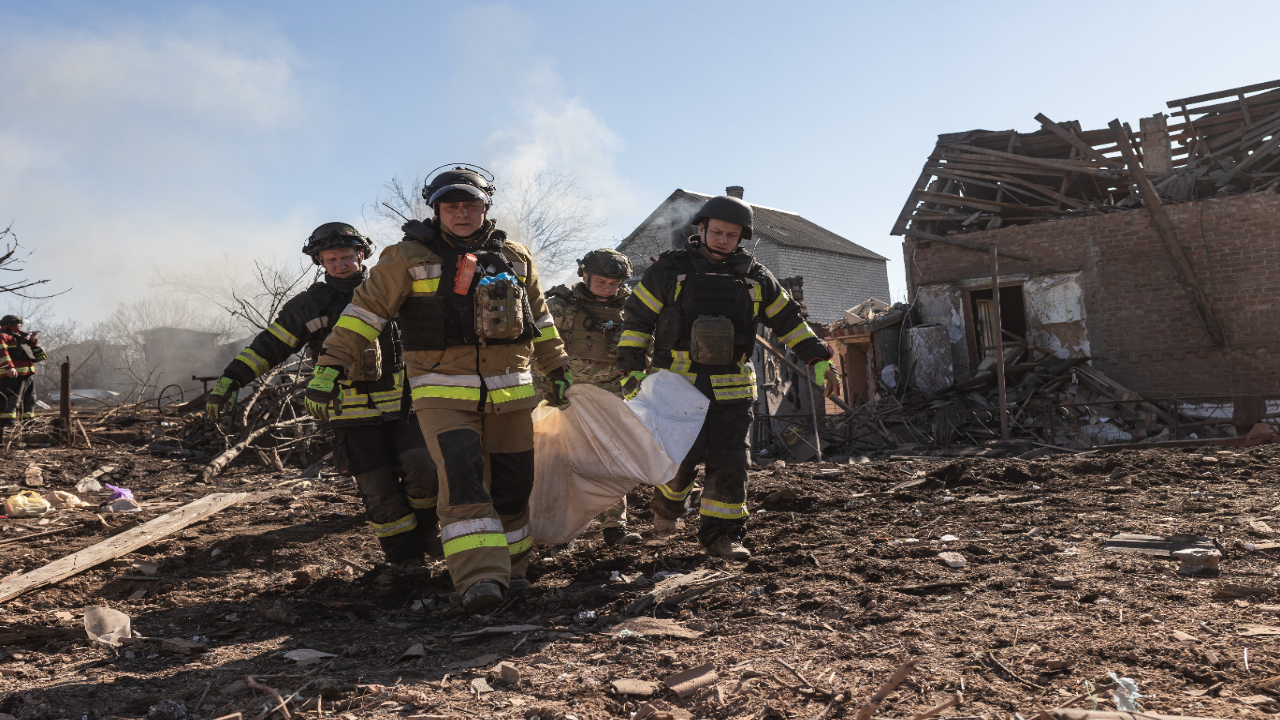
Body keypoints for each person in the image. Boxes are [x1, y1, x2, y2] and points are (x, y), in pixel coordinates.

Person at [313, 166, 571, 613]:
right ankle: (478, 580)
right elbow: (363, 314)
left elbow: (541, 322)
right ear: (436, 209)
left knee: (512, 486)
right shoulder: (406, 257)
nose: (462, 213)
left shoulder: (515, 256)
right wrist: (329, 368)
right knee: (463, 480)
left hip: (511, 395)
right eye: (451, 206)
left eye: (470, 204)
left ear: (485, 206)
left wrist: (558, 366)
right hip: (442, 396)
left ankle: (515, 571)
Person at [616, 195, 841, 561]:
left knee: (731, 461)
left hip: (733, 389)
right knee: (680, 459)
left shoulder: (754, 277)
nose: (723, 240)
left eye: (732, 235)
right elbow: (637, 320)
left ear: (742, 237)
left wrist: (818, 358)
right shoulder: (667, 272)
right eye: (717, 232)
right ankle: (668, 510)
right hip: (677, 388)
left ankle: (722, 535)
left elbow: (789, 322)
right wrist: (630, 369)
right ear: (701, 229)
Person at [207, 223, 441, 566]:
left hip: (407, 407)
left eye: (346, 256)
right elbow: (270, 346)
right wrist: (231, 380)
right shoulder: (309, 305)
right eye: (331, 259)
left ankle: (429, 535)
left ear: (361, 254)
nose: (340, 264)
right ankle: (405, 561)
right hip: (352, 416)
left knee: (425, 471)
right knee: (379, 492)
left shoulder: (391, 287)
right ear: (320, 261)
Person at [544, 249, 641, 546]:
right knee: (561, 460)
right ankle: (564, 530)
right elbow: (541, 348)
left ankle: (615, 525)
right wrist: (548, 390)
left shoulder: (632, 309)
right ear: (584, 275)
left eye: (614, 283)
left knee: (612, 457)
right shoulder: (560, 306)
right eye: (601, 281)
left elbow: (647, 347)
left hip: (610, 393)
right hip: (566, 392)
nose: (608, 288)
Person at [0, 316, 47, 428]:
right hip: (12, 374)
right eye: (19, 324)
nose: (21, 326)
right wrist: (9, 367)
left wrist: (32, 341)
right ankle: (7, 423)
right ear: (12, 324)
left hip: (27, 373)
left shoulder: (18, 337)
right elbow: (2, 352)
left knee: (30, 398)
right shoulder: (2, 336)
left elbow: (27, 352)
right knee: (11, 399)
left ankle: (28, 420)